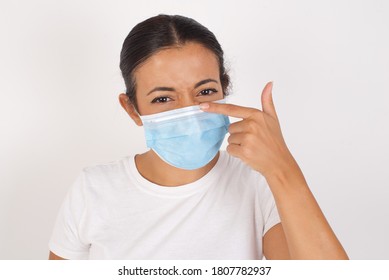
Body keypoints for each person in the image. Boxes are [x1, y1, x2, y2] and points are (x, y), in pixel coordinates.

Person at [48, 14, 348, 260]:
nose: (190, 113)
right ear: (133, 109)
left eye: (205, 92)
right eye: (164, 99)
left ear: (224, 88)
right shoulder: (94, 190)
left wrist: (283, 168)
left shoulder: (258, 184)